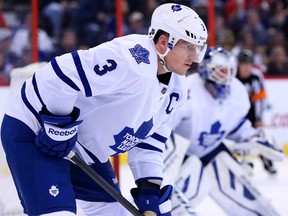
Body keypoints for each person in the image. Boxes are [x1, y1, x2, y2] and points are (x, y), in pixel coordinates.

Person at [0, 3, 208, 216]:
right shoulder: (132, 58)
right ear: (164, 42)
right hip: (36, 131)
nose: (194, 56)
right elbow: (60, 74)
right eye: (189, 47)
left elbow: (150, 141)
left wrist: (150, 192)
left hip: (82, 149)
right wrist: (58, 125)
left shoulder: (177, 88)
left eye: (198, 48)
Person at [163, 47, 284, 216]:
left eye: (229, 71)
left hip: (212, 151)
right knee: (183, 198)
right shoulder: (187, 89)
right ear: (206, 70)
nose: (226, 76)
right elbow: (164, 130)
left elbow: (236, 126)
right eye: (220, 71)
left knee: (254, 204)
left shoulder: (237, 91)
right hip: (182, 156)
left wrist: (254, 136)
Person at [236, 48, 277, 174]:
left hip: (253, 112)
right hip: (237, 113)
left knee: (261, 135)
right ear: (238, 64)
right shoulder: (232, 75)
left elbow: (261, 98)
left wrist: (258, 118)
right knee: (237, 138)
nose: (246, 68)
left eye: (248, 64)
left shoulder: (256, 76)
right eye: (243, 64)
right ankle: (240, 162)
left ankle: (267, 160)